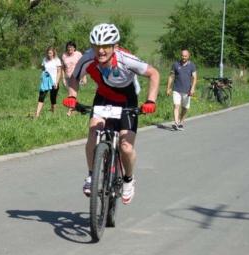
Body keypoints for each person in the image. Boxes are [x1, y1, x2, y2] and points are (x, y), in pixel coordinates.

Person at [64, 23, 159, 204]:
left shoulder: (126, 59)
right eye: (97, 46)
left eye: (106, 46)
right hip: (103, 97)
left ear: (115, 46)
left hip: (127, 100)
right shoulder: (87, 58)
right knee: (93, 132)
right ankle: (92, 175)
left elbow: (154, 73)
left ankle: (129, 180)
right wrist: (72, 97)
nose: (101, 51)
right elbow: (74, 78)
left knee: (126, 147)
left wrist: (150, 100)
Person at [166, 49, 197, 131]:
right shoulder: (175, 65)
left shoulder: (192, 65)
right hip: (176, 89)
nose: (183, 57)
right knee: (176, 105)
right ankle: (176, 123)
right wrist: (168, 88)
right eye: (182, 56)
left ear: (188, 56)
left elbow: (194, 77)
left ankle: (181, 122)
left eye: (185, 56)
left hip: (187, 90)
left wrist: (193, 88)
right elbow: (171, 76)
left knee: (185, 108)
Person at [35, 46, 62, 118]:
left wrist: (56, 82)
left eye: (50, 53)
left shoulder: (57, 60)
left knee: (53, 98)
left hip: (54, 81)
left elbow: (59, 72)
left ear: (53, 53)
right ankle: (37, 114)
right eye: (48, 53)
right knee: (41, 97)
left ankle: (54, 113)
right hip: (46, 81)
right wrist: (43, 75)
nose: (49, 54)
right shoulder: (44, 60)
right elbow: (43, 69)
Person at [61, 41, 86, 116]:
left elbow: (83, 65)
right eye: (68, 47)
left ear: (74, 48)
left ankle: (69, 111)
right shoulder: (64, 55)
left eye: (71, 47)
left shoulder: (78, 54)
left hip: (76, 76)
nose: (70, 48)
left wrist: (84, 77)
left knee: (72, 93)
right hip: (68, 77)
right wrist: (63, 78)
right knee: (70, 93)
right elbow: (63, 67)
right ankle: (75, 108)